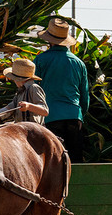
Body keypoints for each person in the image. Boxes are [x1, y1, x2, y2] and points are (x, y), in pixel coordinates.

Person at [33, 17, 90, 162]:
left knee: (53, 162)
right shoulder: (79, 63)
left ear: (49, 40)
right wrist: (79, 115)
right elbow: (85, 97)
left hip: (50, 117)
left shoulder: (40, 60)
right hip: (74, 116)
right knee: (74, 161)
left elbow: (33, 89)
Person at [0, 58, 48, 124]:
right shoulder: (20, 91)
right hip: (21, 128)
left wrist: (29, 106)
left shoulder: (34, 88)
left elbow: (45, 111)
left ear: (17, 79)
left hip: (33, 130)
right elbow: (10, 107)